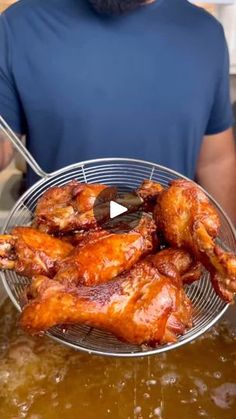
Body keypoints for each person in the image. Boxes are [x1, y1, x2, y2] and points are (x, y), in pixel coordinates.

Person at [0, 0, 235, 223]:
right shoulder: (17, 27)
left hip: (170, 258)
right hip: (55, 256)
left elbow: (216, 162)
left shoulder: (206, 34)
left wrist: (230, 252)